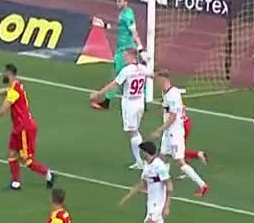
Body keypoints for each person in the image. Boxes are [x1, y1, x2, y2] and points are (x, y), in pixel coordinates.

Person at [0, 64, 56, 191]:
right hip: (18, 128)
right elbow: (7, 90)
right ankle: (16, 182)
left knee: (27, 160)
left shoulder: (14, 91)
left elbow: (3, 110)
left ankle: (49, 174)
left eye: (4, 73)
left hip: (25, 128)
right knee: (11, 153)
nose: (2, 75)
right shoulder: (17, 85)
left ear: (9, 74)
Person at [89, 47, 152, 168]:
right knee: (135, 130)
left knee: (132, 132)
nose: (124, 58)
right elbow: (153, 75)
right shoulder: (143, 68)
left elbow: (114, 84)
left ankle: (140, 161)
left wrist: (98, 94)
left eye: (126, 56)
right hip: (140, 102)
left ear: (131, 56)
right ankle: (141, 159)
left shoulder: (126, 70)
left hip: (130, 103)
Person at [150, 69, 208, 197]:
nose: (156, 83)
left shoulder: (173, 95)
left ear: (163, 79)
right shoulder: (167, 92)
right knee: (163, 156)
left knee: (180, 162)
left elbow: (173, 117)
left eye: (157, 79)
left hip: (174, 132)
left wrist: (159, 130)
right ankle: (162, 183)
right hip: (169, 131)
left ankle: (202, 185)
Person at [120, 140, 172, 223]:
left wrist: (166, 206)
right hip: (151, 203)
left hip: (158, 205)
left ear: (146, 152)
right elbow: (142, 183)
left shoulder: (159, 166)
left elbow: (169, 185)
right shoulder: (147, 165)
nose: (141, 153)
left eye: (142, 151)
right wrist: (127, 198)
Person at [94, 0, 143, 110]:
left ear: (126, 2)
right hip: (123, 48)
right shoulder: (123, 13)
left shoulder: (128, 16)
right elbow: (120, 27)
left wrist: (140, 47)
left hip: (125, 50)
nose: (117, 3)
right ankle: (143, 101)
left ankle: (106, 102)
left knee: (118, 76)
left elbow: (134, 32)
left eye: (120, 1)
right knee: (136, 73)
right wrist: (106, 26)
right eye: (117, 1)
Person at [175, 115, 208, 179]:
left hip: (180, 127)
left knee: (176, 151)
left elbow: (171, 118)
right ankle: (197, 155)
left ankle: (188, 169)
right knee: (179, 150)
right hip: (186, 123)